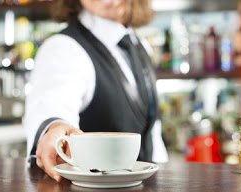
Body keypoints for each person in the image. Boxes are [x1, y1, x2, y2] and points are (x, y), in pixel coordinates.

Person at [23, 0, 168, 182]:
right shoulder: (62, 47)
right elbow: (51, 104)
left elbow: (152, 132)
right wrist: (55, 127)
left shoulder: (139, 45)